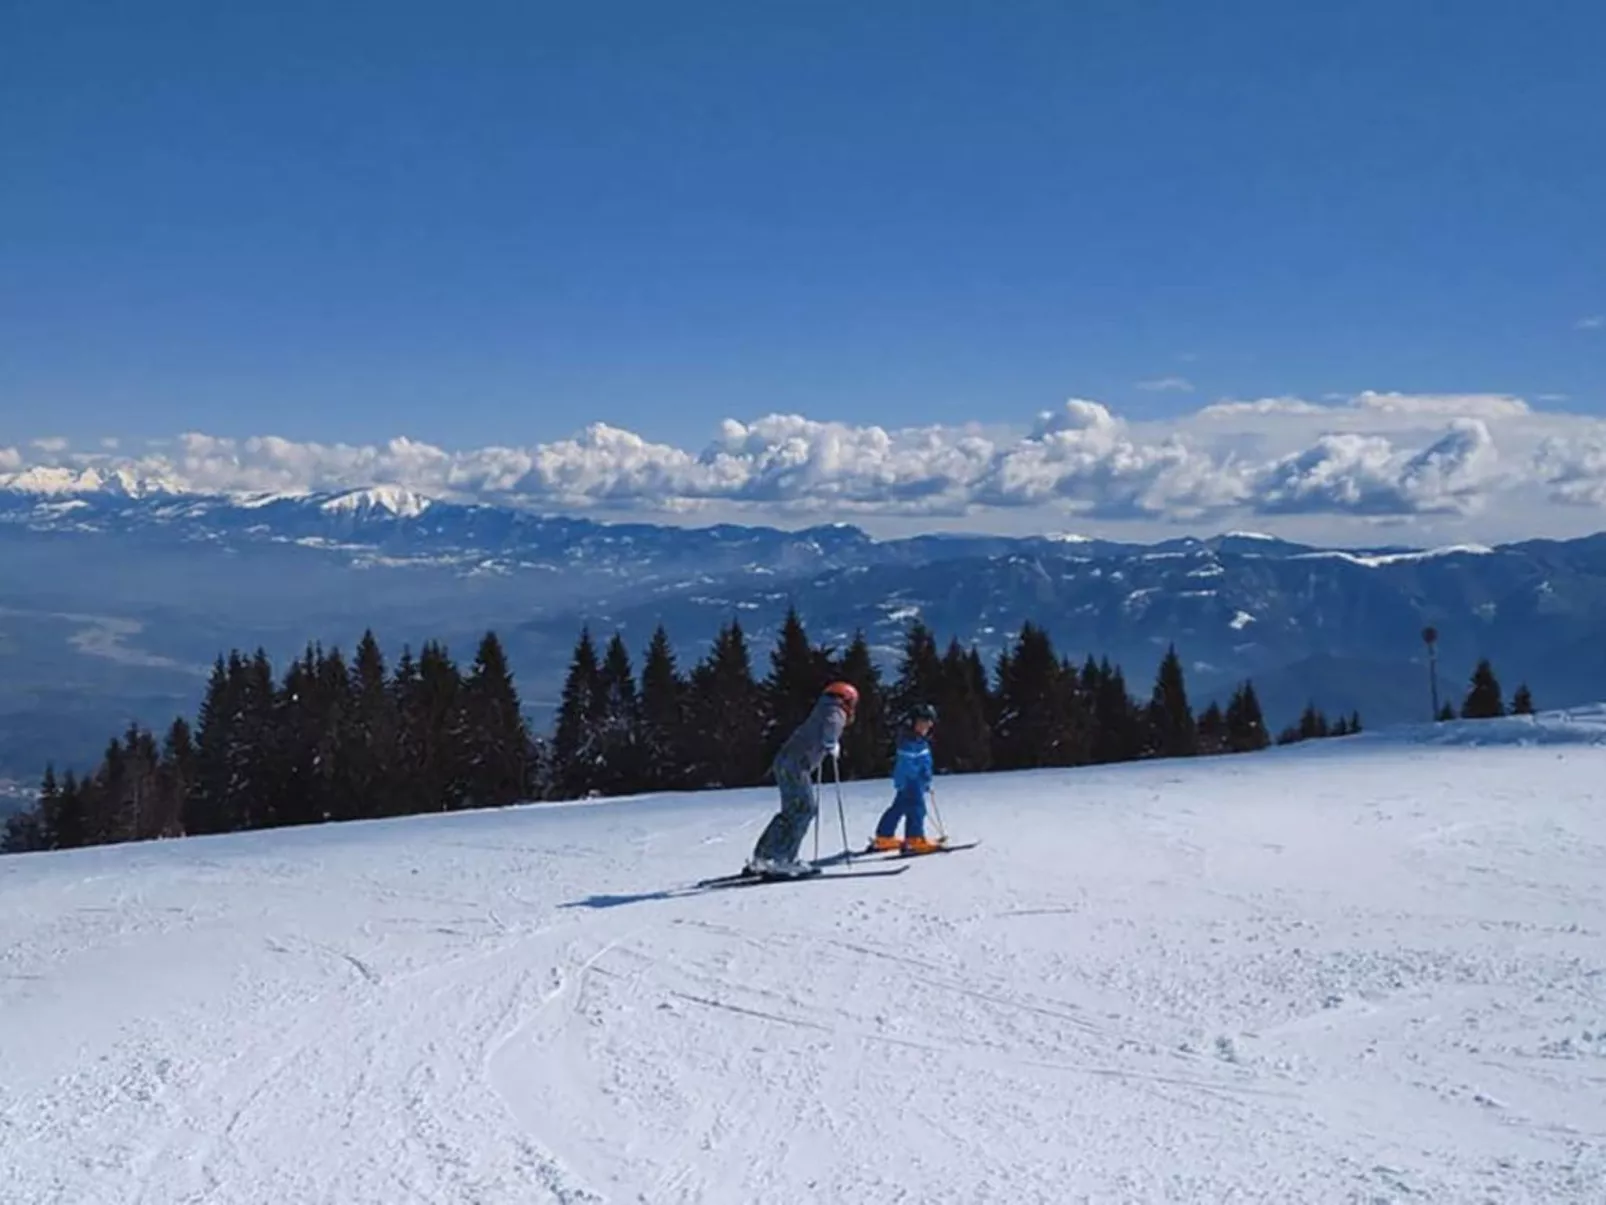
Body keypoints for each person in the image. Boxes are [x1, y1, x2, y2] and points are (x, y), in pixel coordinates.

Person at [746, 681, 858, 877]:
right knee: (804, 809)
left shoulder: (821, 708)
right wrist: (832, 744)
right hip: (797, 765)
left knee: (791, 811)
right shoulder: (835, 710)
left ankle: (764, 857)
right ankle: (782, 859)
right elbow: (832, 726)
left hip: (785, 762)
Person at [870, 703, 940, 854]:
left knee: (899, 807)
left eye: (929, 722)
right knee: (917, 808)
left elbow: (924, 762)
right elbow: (907, 766)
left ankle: (884, 836)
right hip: (911, 781)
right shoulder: (909, 742)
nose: (928, 725)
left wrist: (925, 779)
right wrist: (920, 779)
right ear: (914, 722)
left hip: (912, 782)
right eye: (924, 721)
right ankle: (914, 839)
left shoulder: (919, 740)